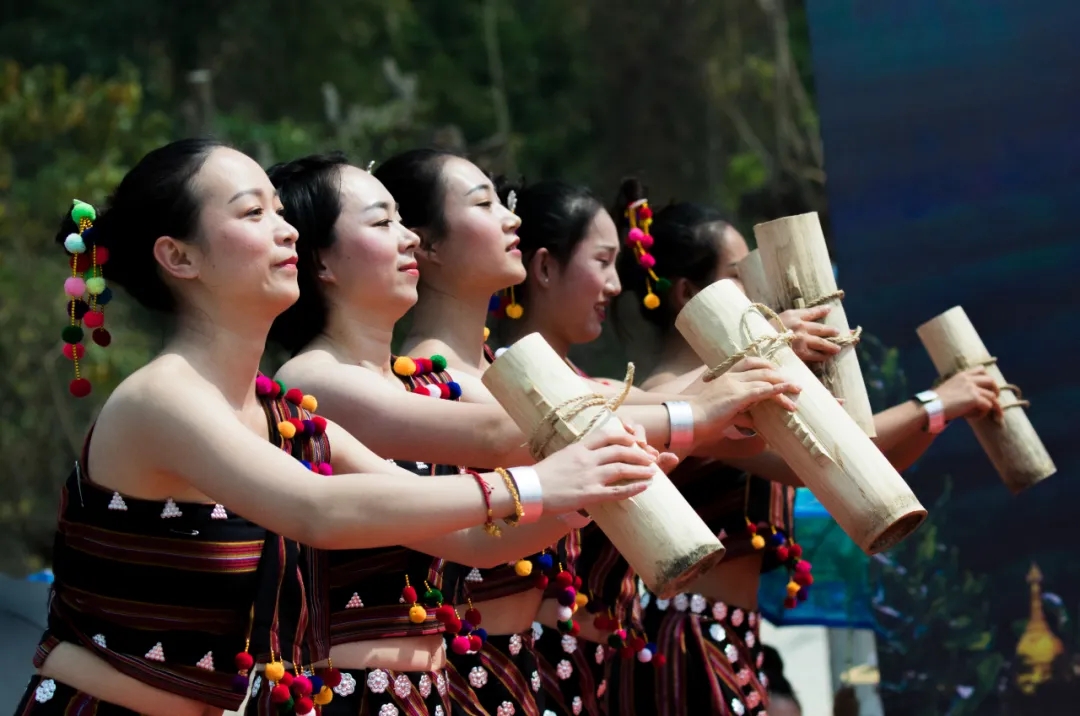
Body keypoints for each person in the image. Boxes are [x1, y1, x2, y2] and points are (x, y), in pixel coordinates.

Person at [15, 140, 660, 716]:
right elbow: (316, 508)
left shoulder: (283, 418)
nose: (287, 231)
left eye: (280, 210)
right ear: (178, 256)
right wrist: (539, 482)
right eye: (253, 213)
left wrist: (590, 489)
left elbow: (469, 539)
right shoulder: (160, 397)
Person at [375, 151, 799, 716]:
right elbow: (536, 429)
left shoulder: (511, 375)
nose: (511, 219)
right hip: (480, 674)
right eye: (484, 204)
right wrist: (700, 409)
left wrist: (751, 364)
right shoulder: (419, 383)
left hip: (545, 670)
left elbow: (624, 403)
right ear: (424, 244)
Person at [265, 153, 680, 715]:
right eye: (382, 222)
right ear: (320, 260)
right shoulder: (312, 381)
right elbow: (494, 435)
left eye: (402, 220)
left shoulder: (401, 379)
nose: (408, 239)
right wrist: (669, 425)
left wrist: (587, 492)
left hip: (434, 689)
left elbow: (472, 542)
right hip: (354, 695)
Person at [608, 178, 1004, 716]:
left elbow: (858, 462)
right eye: (739, 277)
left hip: (726, 634)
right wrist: (936, 403)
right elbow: (809, 464)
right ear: (687, 294)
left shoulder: (735, 397)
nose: (756, 292)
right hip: (688, 640)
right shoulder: (672, 400)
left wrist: (938, 412)